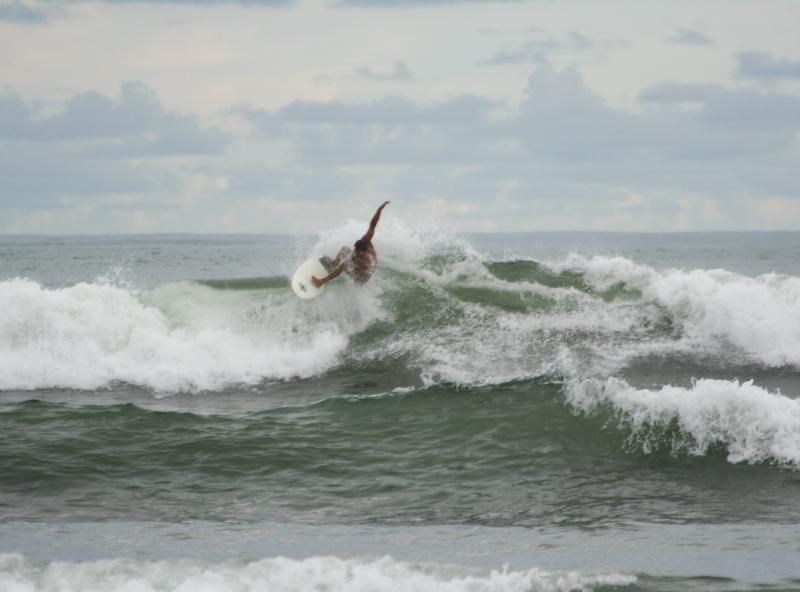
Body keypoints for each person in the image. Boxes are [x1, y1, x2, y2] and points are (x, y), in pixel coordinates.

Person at [312, 201, 390, 288]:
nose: (355, 252)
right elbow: (373, 224)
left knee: (345, 264)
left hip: (360, 278)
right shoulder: (366, 239)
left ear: (363, 253)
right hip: (358, 266)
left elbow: (357, 266)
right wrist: (379, 209)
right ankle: (333, 266)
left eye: (358, 253)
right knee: (344, 249)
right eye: (355, 250)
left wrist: (348, 263)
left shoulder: (367, 261)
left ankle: (321, 282)